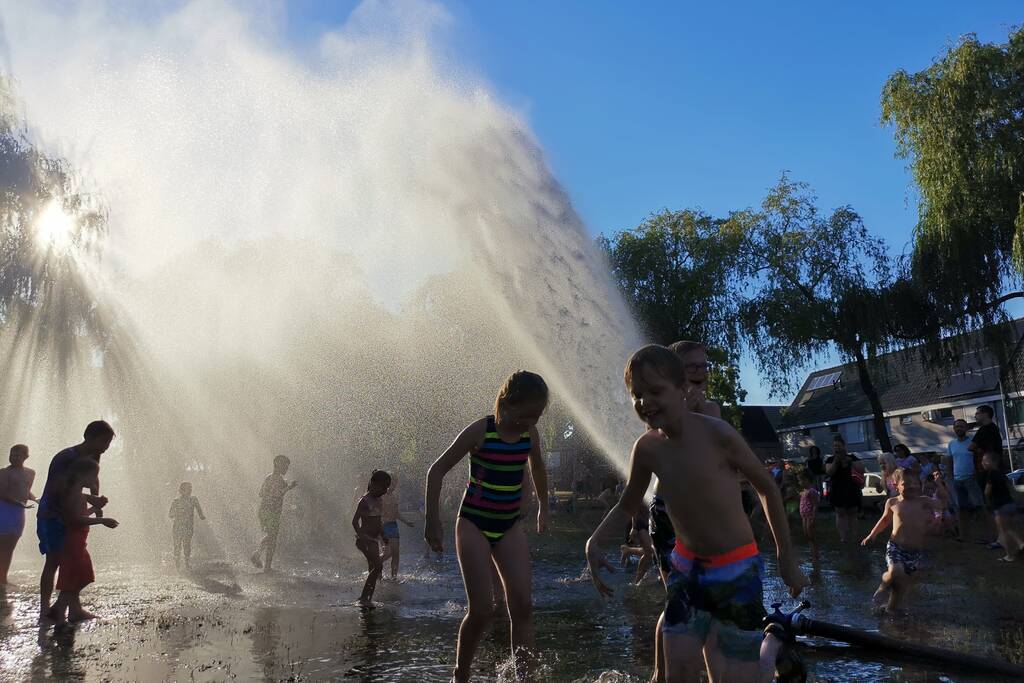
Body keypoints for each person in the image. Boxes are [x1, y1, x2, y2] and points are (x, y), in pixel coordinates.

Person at [586, 346, 807, 683]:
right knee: (681, 673)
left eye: (655, 391)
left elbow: (767, 487)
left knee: (733, 676)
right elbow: (629, 503)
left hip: (737, 572)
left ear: (682, 389)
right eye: (637, 395)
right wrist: (595, 541)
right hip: (687, 573)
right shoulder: (647, 448)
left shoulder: (718, 435)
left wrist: (785, 558)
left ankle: (773, 643)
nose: (644, 402)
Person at [424, 371, 549, 683]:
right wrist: (432, 523)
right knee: (483, 610)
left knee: (523, 605)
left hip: (508, 525)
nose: (530, 421)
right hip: (474, 523)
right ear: (507, 403)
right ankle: (461, 673)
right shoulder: (482, 431)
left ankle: (525, 678)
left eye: (537, 415)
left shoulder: (530, 435)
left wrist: (543, 506)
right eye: (526, 413)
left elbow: (537, 466)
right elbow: (436, 471)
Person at [37, 420, 114, 621]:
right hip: (52, 515)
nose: (106, 447)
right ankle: (45, 609)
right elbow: (61, 489)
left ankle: (73, 609)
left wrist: (97, 505)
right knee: (53, 561)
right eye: (104, 441)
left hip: (71, 517)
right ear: (89, 437)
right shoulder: (66, 457)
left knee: (74, 563)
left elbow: (93, 480)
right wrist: (91, 501)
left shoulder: (93, 456)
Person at [861, 468, 943, 614]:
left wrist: (940, 486)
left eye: (915, 483)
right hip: (896, 547)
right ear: (895, 485)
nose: (912, 486)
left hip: (915, 551)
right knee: (895, 571)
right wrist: (872, 535)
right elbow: (885, 520)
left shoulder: (924, 501)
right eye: (906, 483)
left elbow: (943, 504)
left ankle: (891, 608)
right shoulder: (892, 502)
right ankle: (882, 587)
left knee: (901, 583)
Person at [48, 458, 118, 624]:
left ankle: (73, 611)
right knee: (79, 575)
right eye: (94, 476)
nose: (95, 480)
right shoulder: (74, 495)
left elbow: (80, 515)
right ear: (81, 475)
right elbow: (74, 519)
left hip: (76, 541)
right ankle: (59, 608)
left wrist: (95, 509)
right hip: (72, 542)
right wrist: (102, 520)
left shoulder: (76, 494)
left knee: (79, 574)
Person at [250, 455, 297, 572]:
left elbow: (261, 494)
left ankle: (263, 562)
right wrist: (288, 487)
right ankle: (261, 559)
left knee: (271, 537)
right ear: (277, 464)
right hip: (271, 512)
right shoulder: (279, 479)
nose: (286, 468)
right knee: (272, 537)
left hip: (264, 510)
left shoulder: (268, 477)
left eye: (287, 466)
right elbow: (276, 495)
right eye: (285, 466)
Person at [352, 469, 391, 605]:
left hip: (374, 539)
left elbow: (378, 521)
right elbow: (355, 521)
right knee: (378, 567)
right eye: (384, 487)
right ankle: (363, 598)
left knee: (373, 568)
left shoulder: (379, 500)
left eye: (387, 488)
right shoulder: (365, 501)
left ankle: (368, 598)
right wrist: (362, 536)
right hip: (365, 540)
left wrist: (383, 534)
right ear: (373, 483)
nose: (385, 491)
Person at [0, 444, 37, 587]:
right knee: (2, 546)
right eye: (12, 454)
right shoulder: (3, 473)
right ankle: (2, 578)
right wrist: (19, 503)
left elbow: (25, 490)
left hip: (18, 513)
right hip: (4, 510)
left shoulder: (30, 473)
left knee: (10, 547)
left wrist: (35, 499)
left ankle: (3, 577)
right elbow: (2, 493)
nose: (13, 458)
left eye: (17, 455)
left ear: (26, 457)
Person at [969, 405, 1003, 547]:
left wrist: (978, 450)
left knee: (992, 505)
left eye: (978, 413)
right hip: (993, 470)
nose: (976, 415)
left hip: (987, 472)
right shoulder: (994, 429)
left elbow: (970, 446)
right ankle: (995, 537)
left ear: (986, 414)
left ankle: (998, 538)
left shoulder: (985, 429)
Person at [944, 418, 983, 541]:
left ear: (966, 428)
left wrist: (977, 474)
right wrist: (950, 478)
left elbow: (978, 459)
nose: (958, 429)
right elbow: (949, 462)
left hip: (971, 479)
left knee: (979, 507)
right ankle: (963, 535)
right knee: (961, 509)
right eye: (956, 427)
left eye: (961, 426)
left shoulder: (972, 442)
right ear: (954, 429)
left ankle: (986, 535)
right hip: (957, 481)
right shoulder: (951, 444)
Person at [980, 452, 1023, 562]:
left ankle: (1009, 556)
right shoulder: (1002, 474)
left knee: (1004, 531)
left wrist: (986, 500)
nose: (982, 463)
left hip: (1000, 506)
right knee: (1010, 528)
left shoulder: (991, 474)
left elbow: (987, 491)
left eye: (985, 461)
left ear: (992, 462)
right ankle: (1021, 544)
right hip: (1010, 504)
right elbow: (1011, 488)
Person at [825, 434, 863, 543]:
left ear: (844, 446)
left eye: (839, 446)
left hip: (851, 488)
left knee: (852, 513)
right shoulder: (830, 459)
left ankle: (856, 536)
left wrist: (850, 461)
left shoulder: (852, 457)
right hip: (837, 489)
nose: (837, 448)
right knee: (840, 513)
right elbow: (829, 472)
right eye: (835, 446)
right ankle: (844, 538)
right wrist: (836, 462)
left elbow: (861, 469)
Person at [379, 476, 415, 581]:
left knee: (396, 554)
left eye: (395, 484)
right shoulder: (380, 495)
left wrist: (406, 522)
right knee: (388, 553)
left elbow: (396, 513)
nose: (394, 486)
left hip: (393, 526)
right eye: (392, 483)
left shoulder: (394, 496)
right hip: (383, 526)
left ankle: (394, 577)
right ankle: (376, 564)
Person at [169, 482, 206, 571]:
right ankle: (177, 564)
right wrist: (179, 513)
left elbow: (200, 512)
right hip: (178, 527)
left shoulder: (193, 500)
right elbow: (170, 515)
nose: (190, 490)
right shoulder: (176, 501)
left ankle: (187, 563)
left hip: (188, 527)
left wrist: (201, 516)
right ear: (181, 490)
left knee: (187, 545)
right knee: (177, 546)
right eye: (188, 488)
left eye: (190, 488)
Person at [798, 472, 820, 556]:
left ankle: (815, 554)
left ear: (806, 480)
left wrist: (813, 517)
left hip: (810, 516)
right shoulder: (804, 491)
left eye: (800, 481)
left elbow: (815, 505)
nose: (799, 483)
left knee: (812, 536)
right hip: (804, 516)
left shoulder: (812, 491)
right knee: (807, 535)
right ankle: (812, 553)